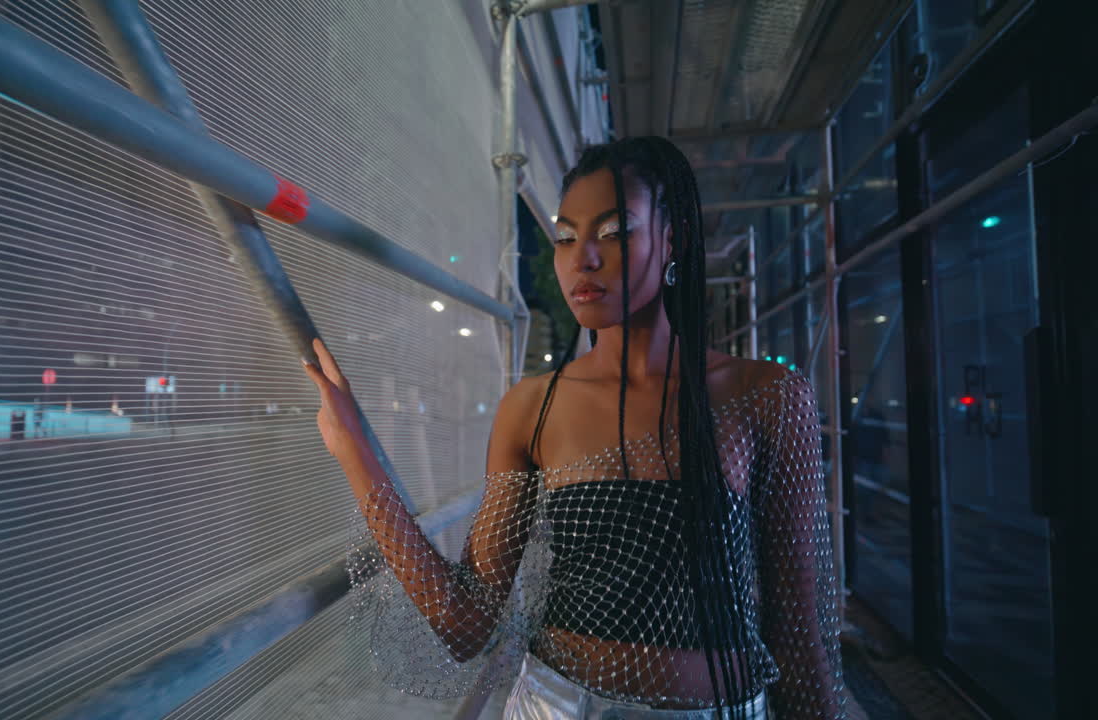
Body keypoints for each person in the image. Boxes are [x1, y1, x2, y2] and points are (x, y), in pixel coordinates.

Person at [302, 136, 846, 719]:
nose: (582, 259)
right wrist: (356, 453)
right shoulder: (534, 406)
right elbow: (467, 623)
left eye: (613, 234)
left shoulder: (763, 396)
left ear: (673, 240)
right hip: (556, 706)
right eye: (565, 238)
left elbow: (797, 628)